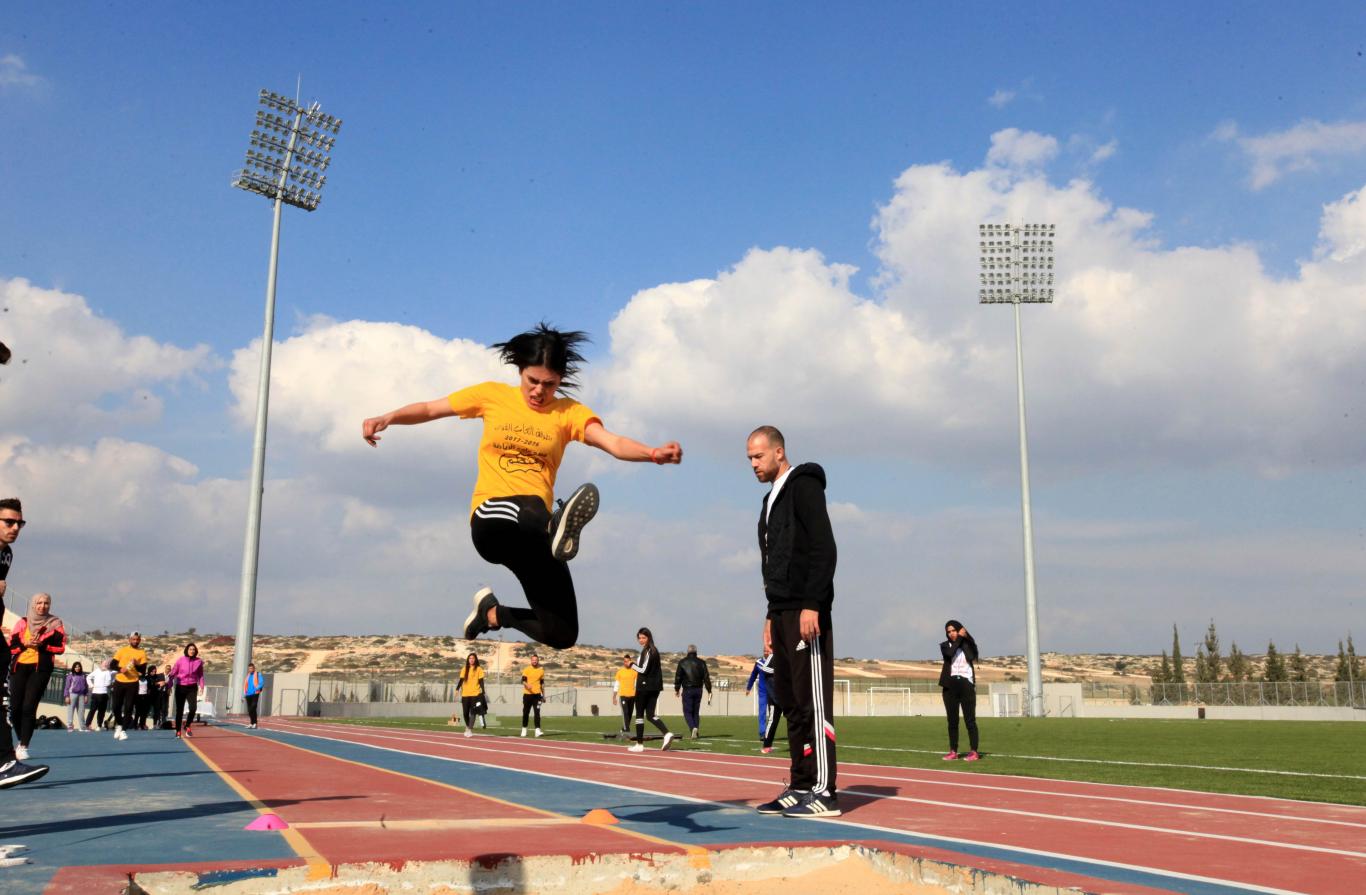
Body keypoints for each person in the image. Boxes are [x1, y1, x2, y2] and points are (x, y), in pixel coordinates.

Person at [361, 324, 683, 650]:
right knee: (529, 505)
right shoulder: (492, 396)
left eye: (549, 384)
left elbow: (612, 442)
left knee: (561, 634)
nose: (539, 391)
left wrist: (652, 454)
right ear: (520, 371)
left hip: (536, 537)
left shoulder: (568, 413)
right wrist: (387, 417)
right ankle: (555, 525)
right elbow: (430, 409)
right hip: (492, 521)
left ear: (559, 381)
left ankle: (492, 614)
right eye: (533, 381)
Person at [747, 426, 840, 818]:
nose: (753, 464)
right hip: (781, 612)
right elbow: (774, 565)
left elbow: (823, 547)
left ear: (779, 452)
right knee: (790, 701)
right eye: (749, 458)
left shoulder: (804, 486)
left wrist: (812, 604)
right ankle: (800, 783)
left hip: (806, 611)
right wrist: (770, 616)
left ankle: (824, 789)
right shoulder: (768, 502)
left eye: (758, 456)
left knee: (813, 702)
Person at [0, 497, 47, 787]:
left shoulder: (6, 555)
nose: (16, 527)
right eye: (9, 522)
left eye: (20, 523)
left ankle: (5, 761)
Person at [8, 592, 67, 760]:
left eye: (46, 603)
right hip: (19, 668)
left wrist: (43, 645)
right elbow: (11, 647)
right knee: (15, 708)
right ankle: (21, 739)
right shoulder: (23, 622)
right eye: (39, 603)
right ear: (33, 605)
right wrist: (24, 644)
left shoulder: (55, 624)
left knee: (28, 707)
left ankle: (24, 745)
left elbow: (60, 648)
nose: (43, 606)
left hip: (40, 669)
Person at [939, 620, 980, 761]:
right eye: (948, 632)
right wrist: (960, 638)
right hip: (950, 686)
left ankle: (974, 751)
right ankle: (953, 751)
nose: (951, 634)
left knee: (970, 721)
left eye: (953, 630)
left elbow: (971, 656)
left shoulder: (967, 645)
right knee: (952, 721)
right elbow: (950, 654)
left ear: (959, 630)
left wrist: (964, 639)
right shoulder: (945, 646)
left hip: (966, 685)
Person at [628, 627, 674, 753]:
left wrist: (631, 665)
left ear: (649, 638)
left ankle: (639, 744)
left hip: (644, 686)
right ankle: (667, 733)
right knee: (651, 715)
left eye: (644, 637)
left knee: (639, 715)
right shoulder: (651, 650)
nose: (641, 640)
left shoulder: (649, 651)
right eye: (639, 638)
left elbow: (643, 670)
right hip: (655, 687)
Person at [111, 632, 148, 741]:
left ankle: (123, 730)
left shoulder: (142, 653)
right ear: (129, 639)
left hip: (133, 682)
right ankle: (119, 724)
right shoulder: (122, 650)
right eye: (133, 639)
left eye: (137, 639)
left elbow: (143, 671)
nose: (135, 641)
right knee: (116, 706)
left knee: (128, 707)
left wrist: (137, 664)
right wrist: (120, 669)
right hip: (119, 681)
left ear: (140, 640)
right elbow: (112, 664)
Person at [745, 649, 781, 754]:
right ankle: (762, 733)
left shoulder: (778, 658)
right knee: (763, 713)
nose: (766, 652)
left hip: (775, 691)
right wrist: (749, 687)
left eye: (768, 650)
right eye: (765, 650)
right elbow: (753, 675)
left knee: (773, 717)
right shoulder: (759, 663)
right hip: (764, 691)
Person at [673, 644, 712, 739]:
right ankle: (696, 732)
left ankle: (693, 727)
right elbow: (706, 678)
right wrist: (709, 690)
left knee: (687, 712)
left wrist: (677, 689)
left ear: (688, 652)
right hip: (699, 690)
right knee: (695, 712)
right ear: (696, 652)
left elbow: (678, 677)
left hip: (687, 690)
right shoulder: (702, 663)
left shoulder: (682, 662)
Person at [168, 643, 205, 739]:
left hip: (192, 687)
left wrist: (201, 686)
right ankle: (178, 731)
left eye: (193, 649)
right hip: (181, 687)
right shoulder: (180, 660)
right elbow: (173, 673)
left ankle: (187, 725)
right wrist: (169, 684)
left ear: (195, 651)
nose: (192, 651)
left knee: (193, 708)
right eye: (190, 649)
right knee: (179, 710)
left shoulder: (199, 661)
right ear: (186, 650)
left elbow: (200, 675)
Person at [458, 652, 486, 738]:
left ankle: (469, 729)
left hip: (475, 693)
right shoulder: (464, 669)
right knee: (465, 713)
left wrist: (483, 691)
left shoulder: (479, 669)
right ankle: (467, 726)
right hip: (465, 694)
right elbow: (461, 680)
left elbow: (481, 681)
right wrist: (457, 688)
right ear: (468, 660)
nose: (471, 660)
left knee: (473, 712)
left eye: (473, 658)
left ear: (475, 659)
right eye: (470, 658)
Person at [611, 653, 637, 738]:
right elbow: (616, 685)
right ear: (623, 662)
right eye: (625, 661)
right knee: (625, 712)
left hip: (632, 696)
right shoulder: (620, 672)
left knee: (629, 714)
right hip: (623, 695)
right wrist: (614, 697)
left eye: (628, 661)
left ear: (631, 661)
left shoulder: (635, 671)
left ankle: (624, 728)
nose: (626, 663)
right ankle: (627, 730)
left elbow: (637, 684)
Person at [520, 653, 545, 738]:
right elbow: (523, 681)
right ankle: (524, 729)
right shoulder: (526, 669)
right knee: (526, 713)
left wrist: (543, 695)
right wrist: (527, 685)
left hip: (537, 695)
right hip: (527, 695)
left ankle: (537, 731)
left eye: (536, 660)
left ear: (538, 661)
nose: (534, 661)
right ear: (531, 661)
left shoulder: (541, 670)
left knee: (537, 713)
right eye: (533, 660)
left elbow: (542, 684)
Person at [86, 658, 115, 731]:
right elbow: (88, 677)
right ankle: (88, 725)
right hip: (96, 693)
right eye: (104, 663)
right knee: (93, 710)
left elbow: (110, 680)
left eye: (106, 664)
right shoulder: (97, 671)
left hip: (103, 694)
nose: (105, 665)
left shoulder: (109, 672)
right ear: (101, 664)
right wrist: (91, 685)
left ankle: (99, 725)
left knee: (101, 711)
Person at [63, 661, 90, 732]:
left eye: (79, 666)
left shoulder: (83, 675)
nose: (77, 668)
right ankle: (70, 725)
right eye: (76, 667)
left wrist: (86, 695)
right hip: (72, 694)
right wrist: (66, 696)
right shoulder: (71, 675)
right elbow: (67, 686)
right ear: (73, 668)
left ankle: (82, 727)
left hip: (81, 695)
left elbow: (86, 686)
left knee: (81, 711)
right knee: (71, 710)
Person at [243, 662, 265, 728]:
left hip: (255, 693)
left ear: (254, 668)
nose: (250, 669)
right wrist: (245, 693)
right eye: (249, 668)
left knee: (253, 707)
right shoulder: (248, 675)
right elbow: (246, 684)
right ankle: (251, 723)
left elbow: (261, 683)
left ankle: (255, 723)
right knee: (250, 710)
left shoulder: (258, 674)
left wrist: (256, 688)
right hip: (248, 694)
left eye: (251, 668)